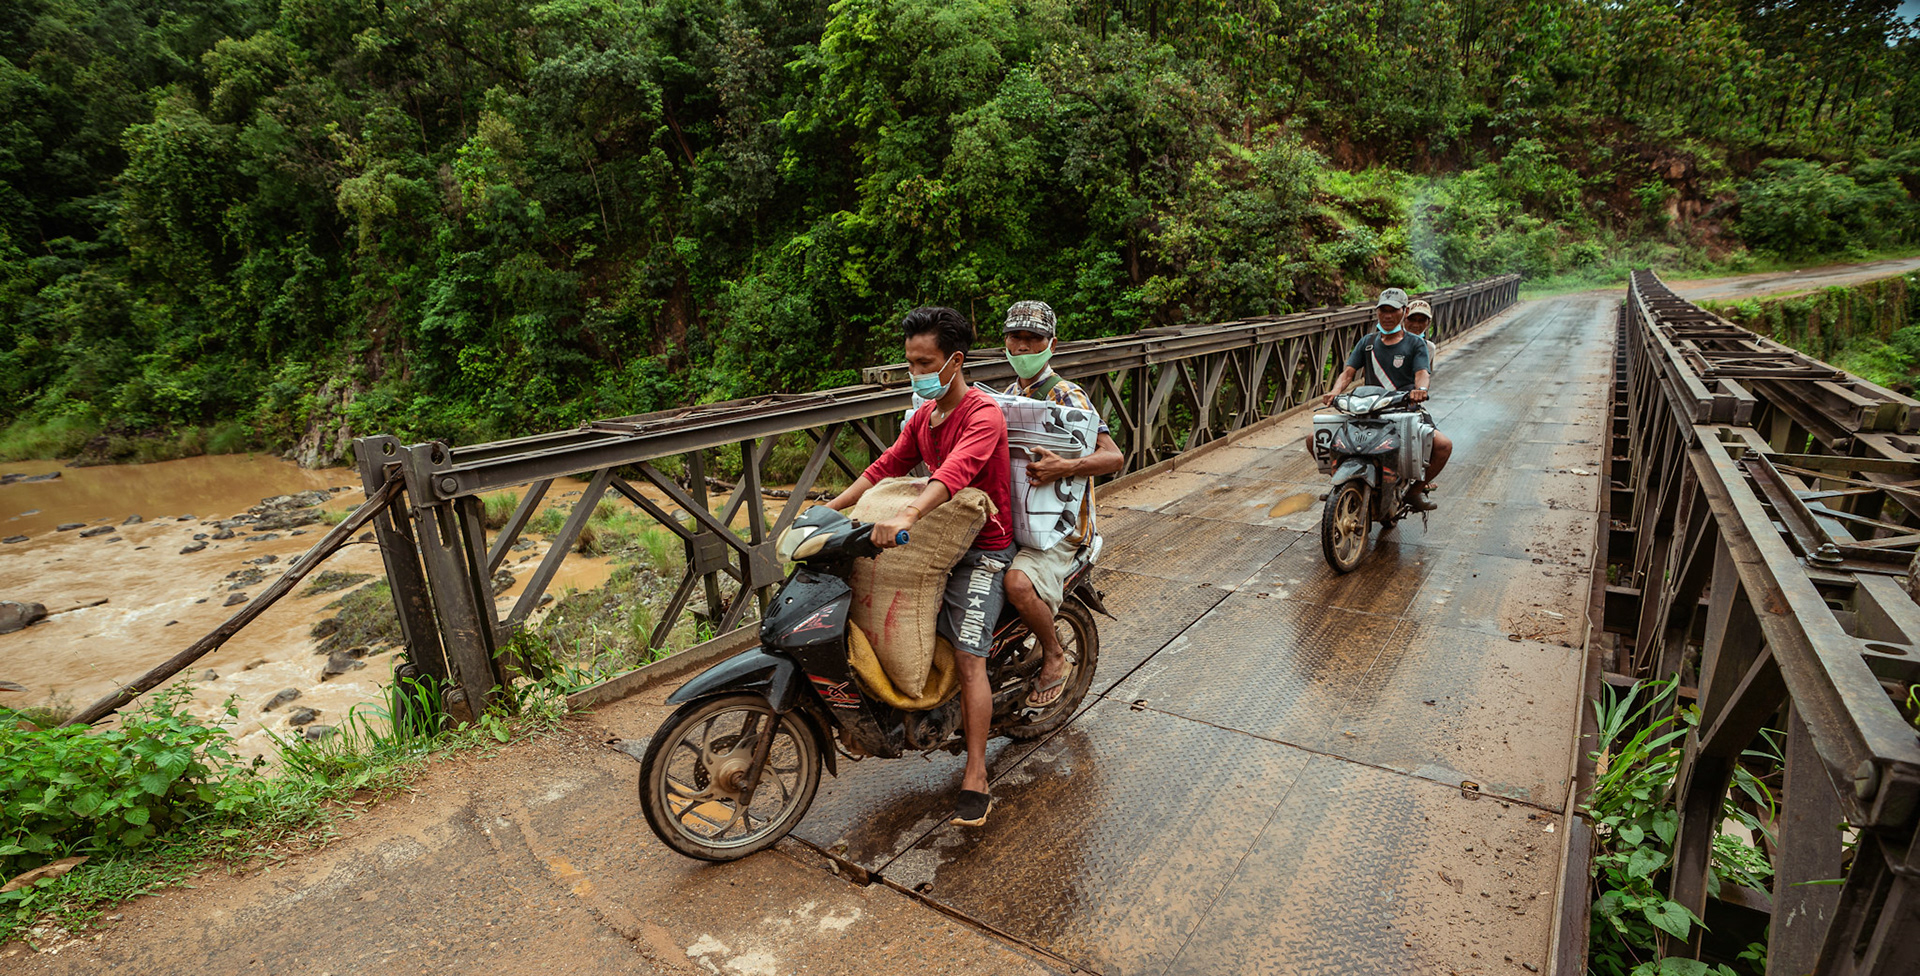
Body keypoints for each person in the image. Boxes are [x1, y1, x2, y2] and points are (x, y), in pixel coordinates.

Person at [824, 306, 1014, 828]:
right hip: (936, 539)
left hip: (984, 548)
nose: (916, 373)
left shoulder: (982, 415)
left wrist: (906, 512)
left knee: (969, 658)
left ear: (954, 361)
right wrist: (828, 509)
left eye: (924, 362)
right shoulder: (922, 418)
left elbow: (956, 472)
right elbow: (885, 466)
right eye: (909, 363)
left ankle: (976, 772)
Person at [996, 300, 1124, 708]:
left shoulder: (1068, 395)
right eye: (1016, 338)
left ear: (1052, 344)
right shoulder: (1008, 396)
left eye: (1033, 339)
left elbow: (1114, 456)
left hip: (1060, 529)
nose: (1023, 347)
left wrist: (1065, 466)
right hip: (1019, 520)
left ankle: (1053, 654)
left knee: (1016, 583)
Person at [1321, 287, 1452, 511]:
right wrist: (1334, 391)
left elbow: (1422, 372)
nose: (1387, 316)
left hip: (1403, 408)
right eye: (1383, 310)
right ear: (1377, 312)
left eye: (1393, 310)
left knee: (1442, 446)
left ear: (1403, 311)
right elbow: (1348, 373)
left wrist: (1420, 389)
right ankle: (1341, 484)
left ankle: (1415, 491)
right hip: (1368, 409)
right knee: (1314, 439)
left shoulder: (1416, 344)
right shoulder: (1367, 342)